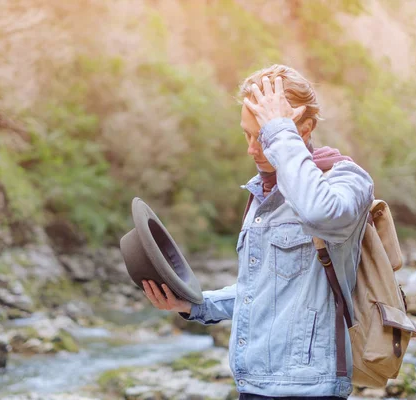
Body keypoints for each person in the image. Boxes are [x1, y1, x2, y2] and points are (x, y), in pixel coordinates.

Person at [141, 64, 374, 400]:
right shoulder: (262, 194)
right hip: (253, 385)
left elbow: (320, 212)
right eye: (247, 135)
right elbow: (261, 289)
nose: (252, 149)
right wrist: (195, 304)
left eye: (261, 135)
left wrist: (279, 131)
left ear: (305, 127)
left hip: (309, 388)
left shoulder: (346, 180)